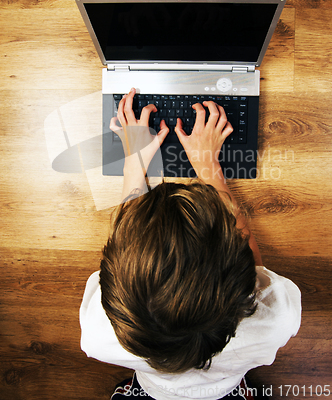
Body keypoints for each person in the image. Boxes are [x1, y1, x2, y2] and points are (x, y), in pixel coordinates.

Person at [80, 88, 301, 400]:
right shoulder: (275, 319)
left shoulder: (96, 334)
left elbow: (244, 256)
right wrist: (209, 166)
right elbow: (255, 264)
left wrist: (134, 166)